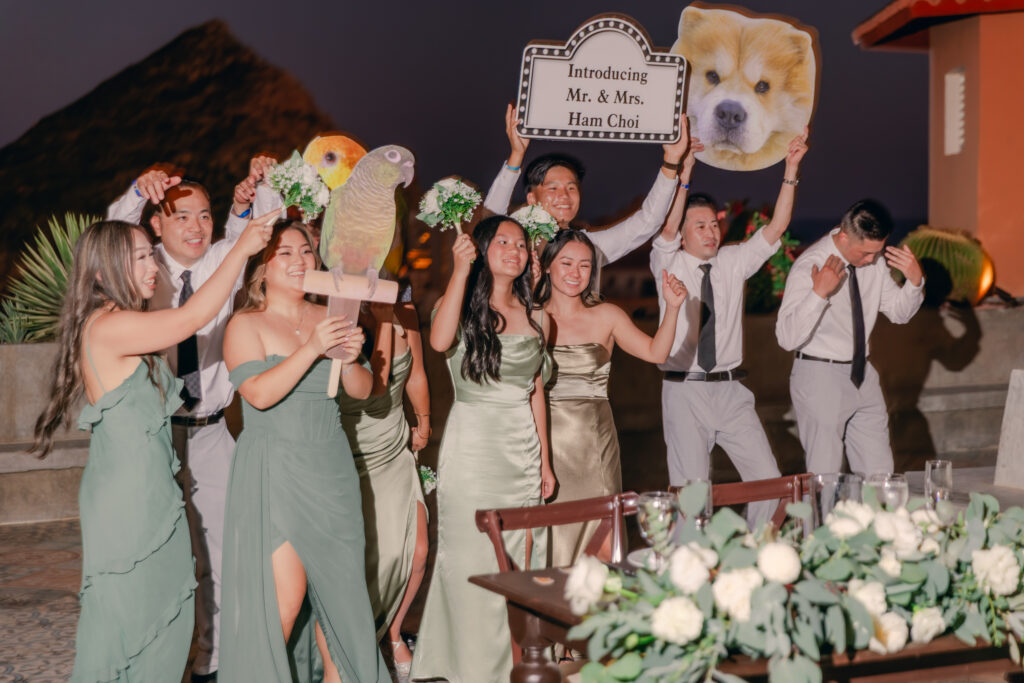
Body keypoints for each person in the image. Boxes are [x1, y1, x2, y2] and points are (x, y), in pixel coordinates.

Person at [30, 215, 271, 682]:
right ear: (102, 273)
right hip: (128, 497)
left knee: (157, 615)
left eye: (150, 254)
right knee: (134, 618)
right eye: (140, 257)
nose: (153, 266)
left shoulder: (125, 324)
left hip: (147, 487)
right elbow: (191, 318)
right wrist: (241, 249)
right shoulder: (107, 327)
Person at [106, 157, 274, 681]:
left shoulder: (224, 259)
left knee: (221, 554)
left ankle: (212, 662)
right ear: (156, 223)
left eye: (205, 215)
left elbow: (263, 227)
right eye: (182, 216)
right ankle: (155, 657)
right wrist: (138, 189)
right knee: (156, 553)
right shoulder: (142, 266)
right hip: (151, 438)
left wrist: (266, 184)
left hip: (211, 433)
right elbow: (110, 229)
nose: (197, 226)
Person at [218, 221, 389, 683]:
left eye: (306, 251)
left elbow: (364, 390)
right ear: (261, 270)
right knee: (284, 605)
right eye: (284, 254)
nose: (299, 261)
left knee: (343, 604)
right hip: (276, 470)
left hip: (330, 465)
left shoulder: (332, 314)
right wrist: (313, 348)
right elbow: (258, 394)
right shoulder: (245, 325)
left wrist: (350, 359)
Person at [410, 216, 553, 683]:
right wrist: (458, 270)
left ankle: (518, 663)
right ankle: (471, 670)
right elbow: (438, 341)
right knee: (470, 561)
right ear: (484, 249)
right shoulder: (463, 308)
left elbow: (537, 392)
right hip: (472, 451)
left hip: (523, 454)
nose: (514, 249)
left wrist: (546, 462)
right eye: (504, 242)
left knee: (521, 566)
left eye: (521, 243)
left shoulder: (539, 318)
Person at [650, 131, 808, 526]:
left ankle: (758, 560)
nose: (710, 231)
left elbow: (777, 227)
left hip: (733, 391)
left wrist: (791, 168)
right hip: (684, 390)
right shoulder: (667, 261)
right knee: (691, 495)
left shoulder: (733, 261)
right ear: (684, 233)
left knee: (770, 485)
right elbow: (666, 229)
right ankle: (692, 571)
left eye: (714, 224)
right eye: (699, 225)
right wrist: (685, 173)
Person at [535, 229, 686, 565]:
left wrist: (673, 308)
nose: (576, 273)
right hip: (542, 441)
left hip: (593, 442)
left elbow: (656, 352)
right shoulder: (531, 317)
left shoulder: (607, 315)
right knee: (553, 534)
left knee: (601, 534)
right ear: (547, 265)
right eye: (567, 263)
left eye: (585, 266)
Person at [776, 199, 924, 476]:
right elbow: (786, 337)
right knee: (825, 476)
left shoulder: (874, 261)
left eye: (877, 252)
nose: (871, 260)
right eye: (865, 253)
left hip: (863, 373)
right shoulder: (810, 264)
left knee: (879, 472)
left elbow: (898, 313)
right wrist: (818, 294)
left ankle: (879, 520)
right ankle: (822, 521)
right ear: (844, 236)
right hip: (820, 376)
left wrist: (914, 283)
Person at [338, 293, 430, 682]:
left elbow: (417, 375)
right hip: (350, 444)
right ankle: (360, 638)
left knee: (418, 550)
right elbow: (374, 382)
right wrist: (382, 323)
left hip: (394, 443)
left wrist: (424, 420)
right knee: (368, 554)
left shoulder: (404, 311)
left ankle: (392, 631)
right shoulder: (334, 310)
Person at [483, 104, 691, 267]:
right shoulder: (517, 244)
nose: (564, 195)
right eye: (553, 188)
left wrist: (671, 160)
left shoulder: (588, 247)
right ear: (531, 198)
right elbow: (490, 220)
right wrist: (516, 155)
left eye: (571, 188)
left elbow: (647, 222)